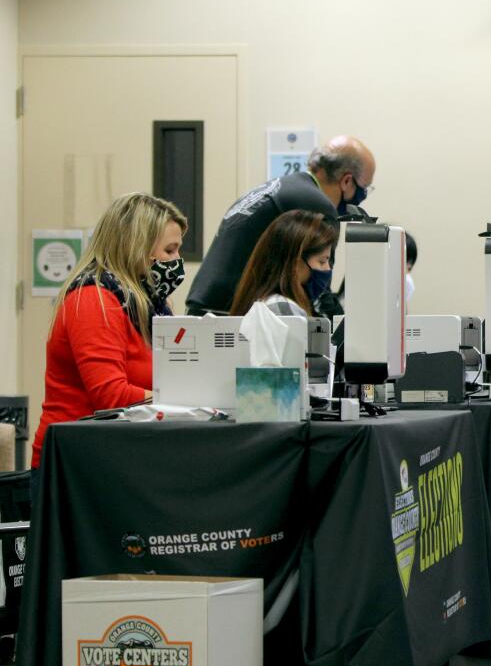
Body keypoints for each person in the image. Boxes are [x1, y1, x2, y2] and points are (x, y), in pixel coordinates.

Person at [31, 193, 188, 474]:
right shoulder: (93, 300)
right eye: (170, 250)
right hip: (75, 465)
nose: (178, 261)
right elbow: (109, 394)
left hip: (115, 455)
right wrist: (189, 402)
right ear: (136, 247)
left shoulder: (149, 305)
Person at [187, 136, 375, 314]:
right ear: (347, 181)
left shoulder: (281, 187)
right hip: (231, 315)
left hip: (203, 305)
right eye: (365, 187)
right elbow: (319, 293)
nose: (363, 196)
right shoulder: (319, 207)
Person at [228, 210, 337, 317]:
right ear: (295, 263)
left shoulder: (268, 303)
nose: (328, 268)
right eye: (322, 261)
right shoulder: (281, 310)